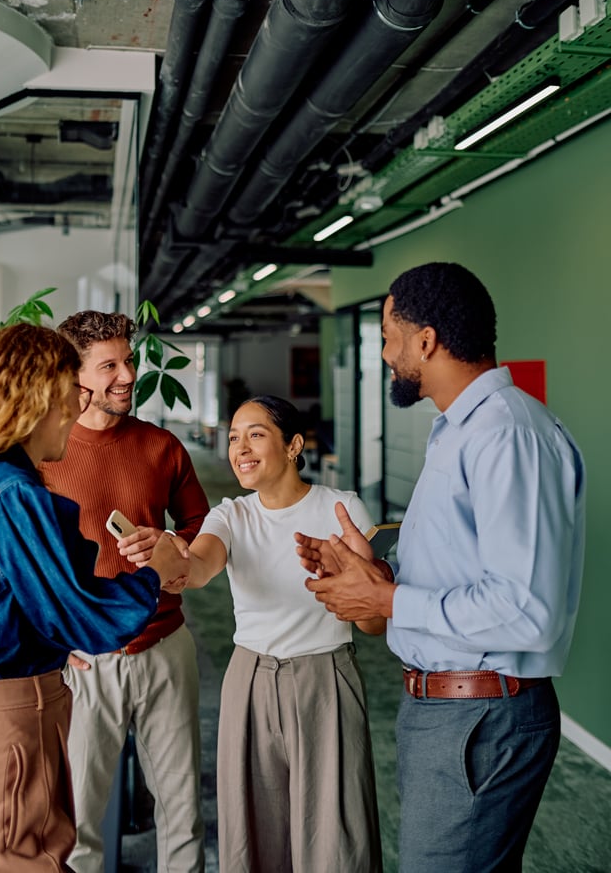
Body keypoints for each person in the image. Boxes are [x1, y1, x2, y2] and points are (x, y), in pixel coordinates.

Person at [296, 262, 586, 873]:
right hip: (453, 713)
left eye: (385, 336)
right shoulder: (460, 432)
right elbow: (460, 560)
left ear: (424, 340)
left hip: (481, 718)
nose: (383, 354)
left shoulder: (505, 436)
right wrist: (371, 568)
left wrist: (388, 601)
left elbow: (522, 610)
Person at [0, 323, 188, 873]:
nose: (76, 413)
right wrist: (158, 573)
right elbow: (89, 616)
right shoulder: (10, 494)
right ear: (34, 401)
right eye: (67, 398)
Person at [138, 395, 384, 873]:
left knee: (334, 834)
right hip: (249, 680)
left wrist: (353, 581)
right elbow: (201, 566)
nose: (240, 448)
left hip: (326, 678)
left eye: (255, 434)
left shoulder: (341, 509)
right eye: (233, 437)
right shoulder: (231, 515)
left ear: (293, 445)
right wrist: (170, 557)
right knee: (253, 831)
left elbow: (373, 624)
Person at [39, 310, 208, 873]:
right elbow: (25, 563)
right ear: (75, 376)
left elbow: (201, 529)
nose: (127, 374)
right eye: (109, 364)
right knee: (80, 821)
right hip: (87, 660)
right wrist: (53, 639)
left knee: (182, 813)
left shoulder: (162, 447)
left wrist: (170, 545)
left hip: (165, 646)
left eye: (129, 360)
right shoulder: (44, 453)